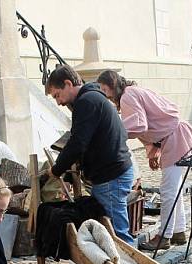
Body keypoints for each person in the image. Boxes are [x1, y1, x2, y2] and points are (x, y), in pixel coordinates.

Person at [96, 70, 192, 251]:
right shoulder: (133, 91)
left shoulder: (128, 96)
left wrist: (114, 131)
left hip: (175, 138)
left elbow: (140, 124)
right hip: (174, 136)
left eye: (105, 89)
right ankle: (178, 232)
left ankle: (164, 236)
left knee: (168, 190)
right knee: (174, 189)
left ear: (112, 86)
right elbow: (152, 122)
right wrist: (154, 151)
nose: (105, 95)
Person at [46, 65, 134, 245]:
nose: (58, 102)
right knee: (113, 231)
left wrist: (57, 169)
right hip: (112, 173)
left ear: (68, 83)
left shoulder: (87, 101)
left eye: (57, 95)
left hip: (111, 175)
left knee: (117, 235)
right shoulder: (92, 98)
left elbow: (78, 142)